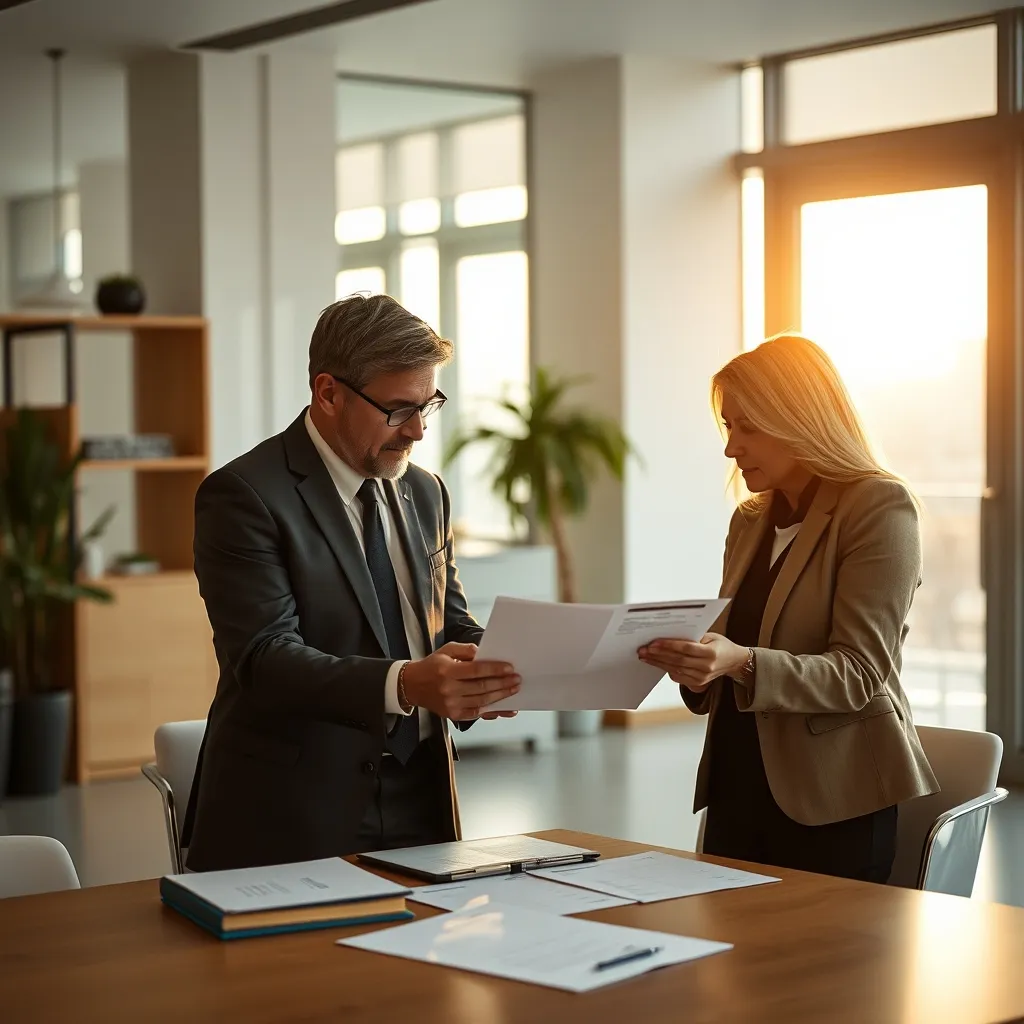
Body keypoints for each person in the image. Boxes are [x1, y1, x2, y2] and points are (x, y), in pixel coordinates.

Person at [181, 294, 521, 871]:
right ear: (328, 393)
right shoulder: (244, 496)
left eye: (428, 405)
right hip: (294, 811)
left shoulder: (425, 490)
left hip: (424, 799)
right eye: (397, 409)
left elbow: (445, 624)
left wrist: (512, 660)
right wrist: (408, 685)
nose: (416, 431)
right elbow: (265, 658)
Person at [639, 334, 938, 883]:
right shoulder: (750, 519)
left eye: (747, 428)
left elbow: (859, 675)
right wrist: (697, 667)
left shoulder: (879, 507)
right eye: (729, 427)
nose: (732, 448)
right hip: (738, 789)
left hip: (834, 803)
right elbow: (734, 643)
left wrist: (740, 662)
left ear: (799, 419)